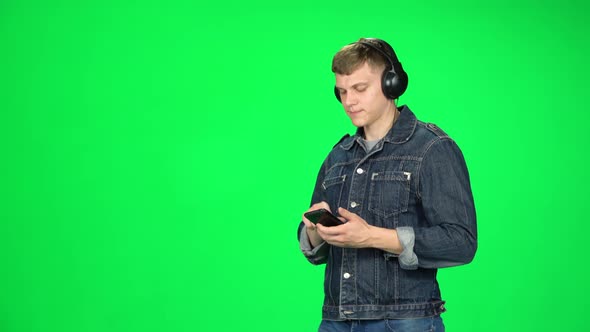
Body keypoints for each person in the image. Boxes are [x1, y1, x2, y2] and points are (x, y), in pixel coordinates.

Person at [297, 38, 477, 331]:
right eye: (342, 91)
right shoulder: (338, 157)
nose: (349, 101)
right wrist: (316, 231)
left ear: (392, 84)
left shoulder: (432, 149)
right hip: (336, 321)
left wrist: (370, 236)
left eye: (359, 89)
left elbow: (461, 242)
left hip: (403, 321)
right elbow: (314, 251)